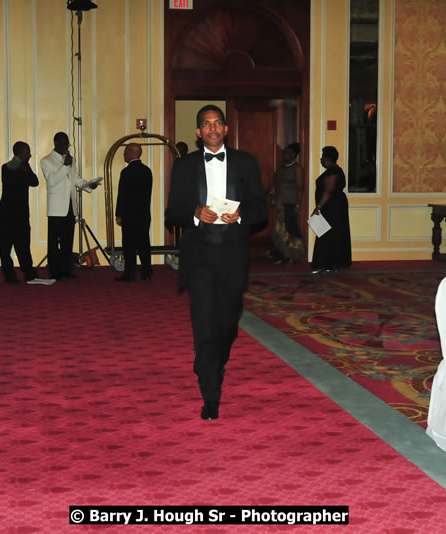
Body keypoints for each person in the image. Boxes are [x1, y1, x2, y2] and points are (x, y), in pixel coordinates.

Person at [165, 104, 267, 421]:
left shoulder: (246, 163)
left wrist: (242, 215)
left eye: (217, 123)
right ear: (198, 132)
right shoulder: (184, 166)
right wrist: (195, 214)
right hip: (200, 259)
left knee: (227, 324)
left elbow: (261, 210)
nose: (212, 128)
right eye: (206, 124)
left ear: (225, 129)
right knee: (204, 324)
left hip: (233, 257)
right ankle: (210, 392)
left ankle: (213, 360)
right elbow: (172, 213)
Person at [40, 132, 98, 280]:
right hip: (56, 209)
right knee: (54, 242)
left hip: (70, 207)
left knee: (67, 241)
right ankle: (54, 271)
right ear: (56, 143)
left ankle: (66, 269)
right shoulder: (46, 161)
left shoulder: (70, 160)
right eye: (64, 143)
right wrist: (65, 165)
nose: (67, 146)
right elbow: (52, 181)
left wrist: (88, 185)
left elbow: (76, 180)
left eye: (68, 144)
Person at [0, 141, 49, 285]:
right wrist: (24, 171)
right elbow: (13, 182)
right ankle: (10, 275)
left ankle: (28, 273)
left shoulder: (25, 167)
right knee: (6, 247)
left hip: (19, 214)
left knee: (23, 246)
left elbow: (35, 182)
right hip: (8, 214)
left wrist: (26, 170)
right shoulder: (6, 168)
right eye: (27, 152)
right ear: (20, 153)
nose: (30, 155)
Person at [115, 143, 153, 282]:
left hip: (129, 215)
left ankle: (130, 274)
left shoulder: (126, 172)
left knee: (129, 245)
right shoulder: (147, 171)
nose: (124, 154)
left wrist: (119, 214)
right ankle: (146, 272)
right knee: (144, 244)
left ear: (131, 152)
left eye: (125, 151)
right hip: (144, 215)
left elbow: (122, 195)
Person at [311, 146, 352, 272]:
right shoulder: (334, 170)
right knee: (331, 233)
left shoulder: (333, 172)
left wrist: (318, 207)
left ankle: (327, 263)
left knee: (328, 234)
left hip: (333, 207)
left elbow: (329, 191)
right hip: (333, 205)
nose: (320, 160)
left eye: (322, 157)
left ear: (328, 159)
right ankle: (331, 263)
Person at [269, 142, 305, 264]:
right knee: (280, 231)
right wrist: (272, 197)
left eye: (288, 153)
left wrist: (298, 204)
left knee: (290, 230)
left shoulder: (297, 168)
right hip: (280, 203)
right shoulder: (281, 167)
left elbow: (300, 187)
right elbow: (275, 184)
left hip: (290, 203)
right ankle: (281, 255)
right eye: (284, 152)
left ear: (294, 155)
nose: (285, 155)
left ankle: (291, 256)